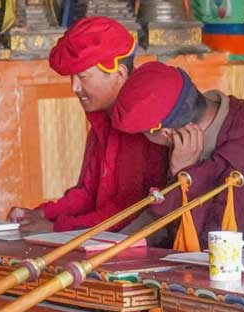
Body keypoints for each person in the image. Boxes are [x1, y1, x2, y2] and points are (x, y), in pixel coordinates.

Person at [8, 17, 167, 234]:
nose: (74, 87)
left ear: (119, 74)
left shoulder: (144, 125)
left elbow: (128, 210)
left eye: (82, 77)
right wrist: (41, 214)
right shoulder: (102, 120)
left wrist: (56, 228)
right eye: (72, 77)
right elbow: (88, 193)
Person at [110, 61, 244, 248]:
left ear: (166, 133)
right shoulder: (194, 128)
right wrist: (114, 245)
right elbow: (156, 221)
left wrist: (185, 175)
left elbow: (207, 245)